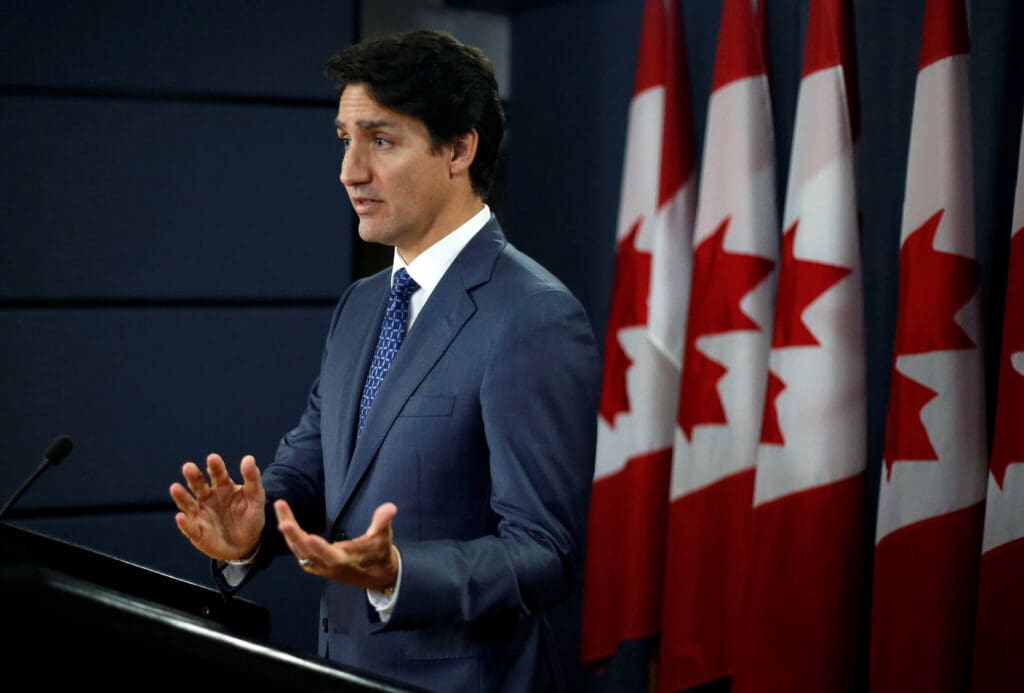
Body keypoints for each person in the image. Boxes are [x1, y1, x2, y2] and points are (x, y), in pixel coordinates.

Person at [169, 28, 601, 693]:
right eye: (346, 140)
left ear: (459, 148)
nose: (350, 171)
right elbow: (310, 469)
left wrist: (399, 571)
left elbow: (546, 552)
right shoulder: (362, 305)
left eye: (381, 140)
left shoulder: (533, 315)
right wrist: (256, 527)